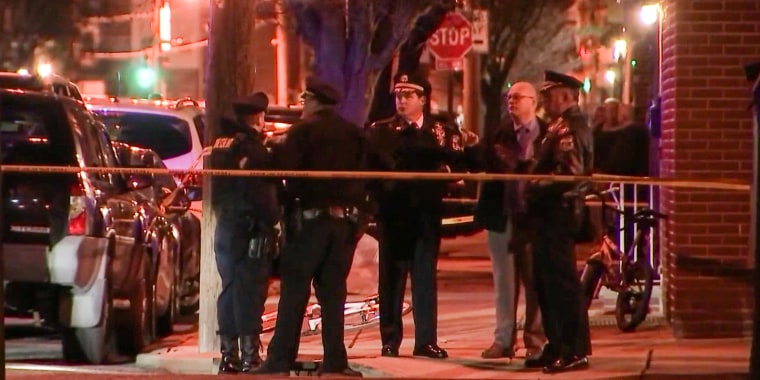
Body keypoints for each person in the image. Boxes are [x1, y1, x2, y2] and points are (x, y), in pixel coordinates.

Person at [252, 76, 368, 377]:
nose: (302, 107)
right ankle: (335, 363)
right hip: (344, 225)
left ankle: (279, 362)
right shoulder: (354, 134)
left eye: (304, 101)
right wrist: (364, 215)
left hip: (309, 224)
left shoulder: (301, 133)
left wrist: (285, 204)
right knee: (333, 295)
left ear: (313, 101)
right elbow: (379, 171)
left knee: (294, 293)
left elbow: (279, 172)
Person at [367, 71, 463, 359]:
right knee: (391, 282)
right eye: (398, 95)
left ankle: (425, 341)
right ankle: (390, 340)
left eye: (408, 95)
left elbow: (458, 165)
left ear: (423, 99)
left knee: (424, 280)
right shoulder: (381, 131)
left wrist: (446, 173)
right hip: (393, 215)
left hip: (425, 216)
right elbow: (373, 168)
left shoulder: (441, 132)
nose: (402, 100)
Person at [465, 82, 546, 360]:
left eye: (517, 97)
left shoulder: (546, 134)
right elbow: (481, 162)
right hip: (501, 216)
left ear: (533, 102)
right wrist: (469, 148)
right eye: (508, 97)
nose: (511, 102)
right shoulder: (498, 133)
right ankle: (503, 339)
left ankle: (536, 341)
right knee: (504, 281)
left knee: (535, 281)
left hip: (533, 219)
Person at [524, 70, 593, 373]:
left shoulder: (571, 128)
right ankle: (556, 343)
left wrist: (535, 184)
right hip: (546, 215)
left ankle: (573, 349)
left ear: (565, 95)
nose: (544, 100)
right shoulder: (557, 126)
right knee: (544, 282)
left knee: (562, 284)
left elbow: (570, 174)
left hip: (559, 212)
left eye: (549, 95)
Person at [208, 92, 279, 373]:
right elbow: (263, 195)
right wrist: (273, 222)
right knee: (249, 291)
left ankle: (229, 356)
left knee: (228, 289)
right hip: (251, 230)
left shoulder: (221, 144)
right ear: (258, 117)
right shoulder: (254, 150)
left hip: (225, 227)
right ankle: (250, 356)